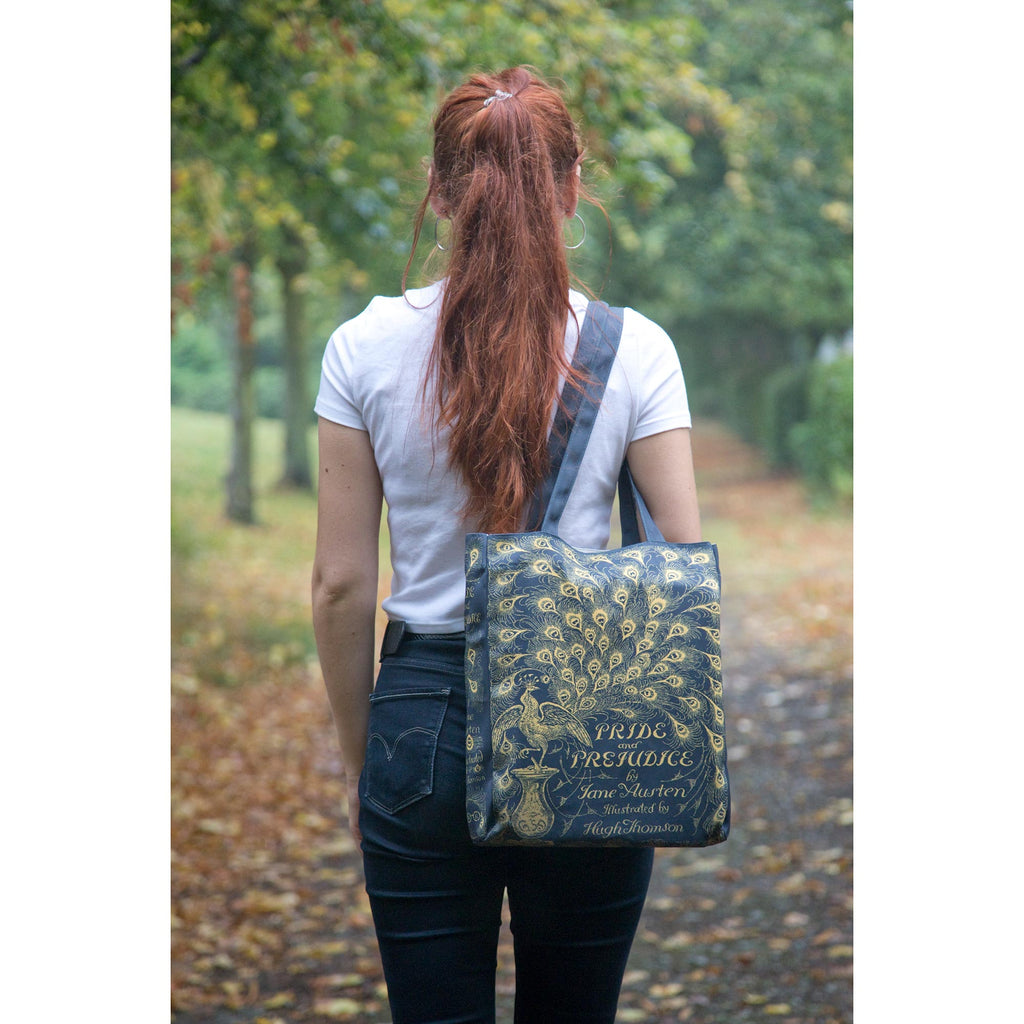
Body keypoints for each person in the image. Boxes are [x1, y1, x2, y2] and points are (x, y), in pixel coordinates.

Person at [311, 66, 702, 1024]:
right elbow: (682, 558)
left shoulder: (361, 347)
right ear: (572, 189)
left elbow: (339, 587)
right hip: (590, 717)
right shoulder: (635, 349)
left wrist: (368, 757)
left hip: (422, 722)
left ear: (441, 191)